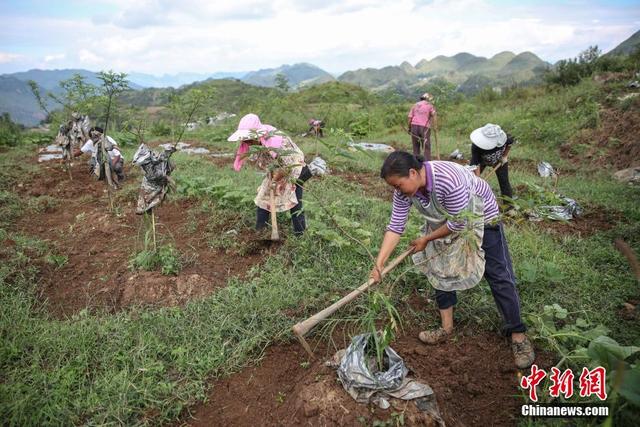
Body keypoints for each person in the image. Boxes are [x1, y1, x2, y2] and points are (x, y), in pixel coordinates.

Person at [370, 151, 535, 369]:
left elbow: (458, 224)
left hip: (482, 217)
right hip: (443, 221)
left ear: (412, 173)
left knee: (498, 274)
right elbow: (395, 225)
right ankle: (446, 328)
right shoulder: (404, 191)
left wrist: (427, 239)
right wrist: (379, 264)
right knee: (440, 267)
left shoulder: (448, 180)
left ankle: (518, 336)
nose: (397, 191)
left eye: (398, 185)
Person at [228, 114, 312, 236]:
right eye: (245, 139)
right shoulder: (255, 143)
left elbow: (288, 165)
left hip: (295, 169)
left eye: (249, 139)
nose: (247, 142)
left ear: (258, 134)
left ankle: (300, 235)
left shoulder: (277, 140)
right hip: (276, 170)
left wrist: (277, 178)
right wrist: (272, 177)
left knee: (294, 202)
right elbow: (265, 162)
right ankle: (260, 232)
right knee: (263, 197)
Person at [469, 123, 515, 200]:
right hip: (481, 161)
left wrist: (504, 156)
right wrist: (477, 180)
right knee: (471, 180)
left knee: (504, 182)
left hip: (499, 160)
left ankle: (509, 207)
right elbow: (475, 164)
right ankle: (468, 198)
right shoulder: (477, 146)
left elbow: (509, 144)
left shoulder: (504, 138)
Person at [407, 93, 437, 160]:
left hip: (414, 126)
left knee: (415, 146)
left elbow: (409, 118)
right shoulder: (429, 105)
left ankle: (416, 162)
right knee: (426, 146)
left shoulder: (415, 105)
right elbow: (434, 115)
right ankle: (427, 162)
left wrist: (409, 128)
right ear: (428, 99)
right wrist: (435, 126)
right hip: (424, 128)